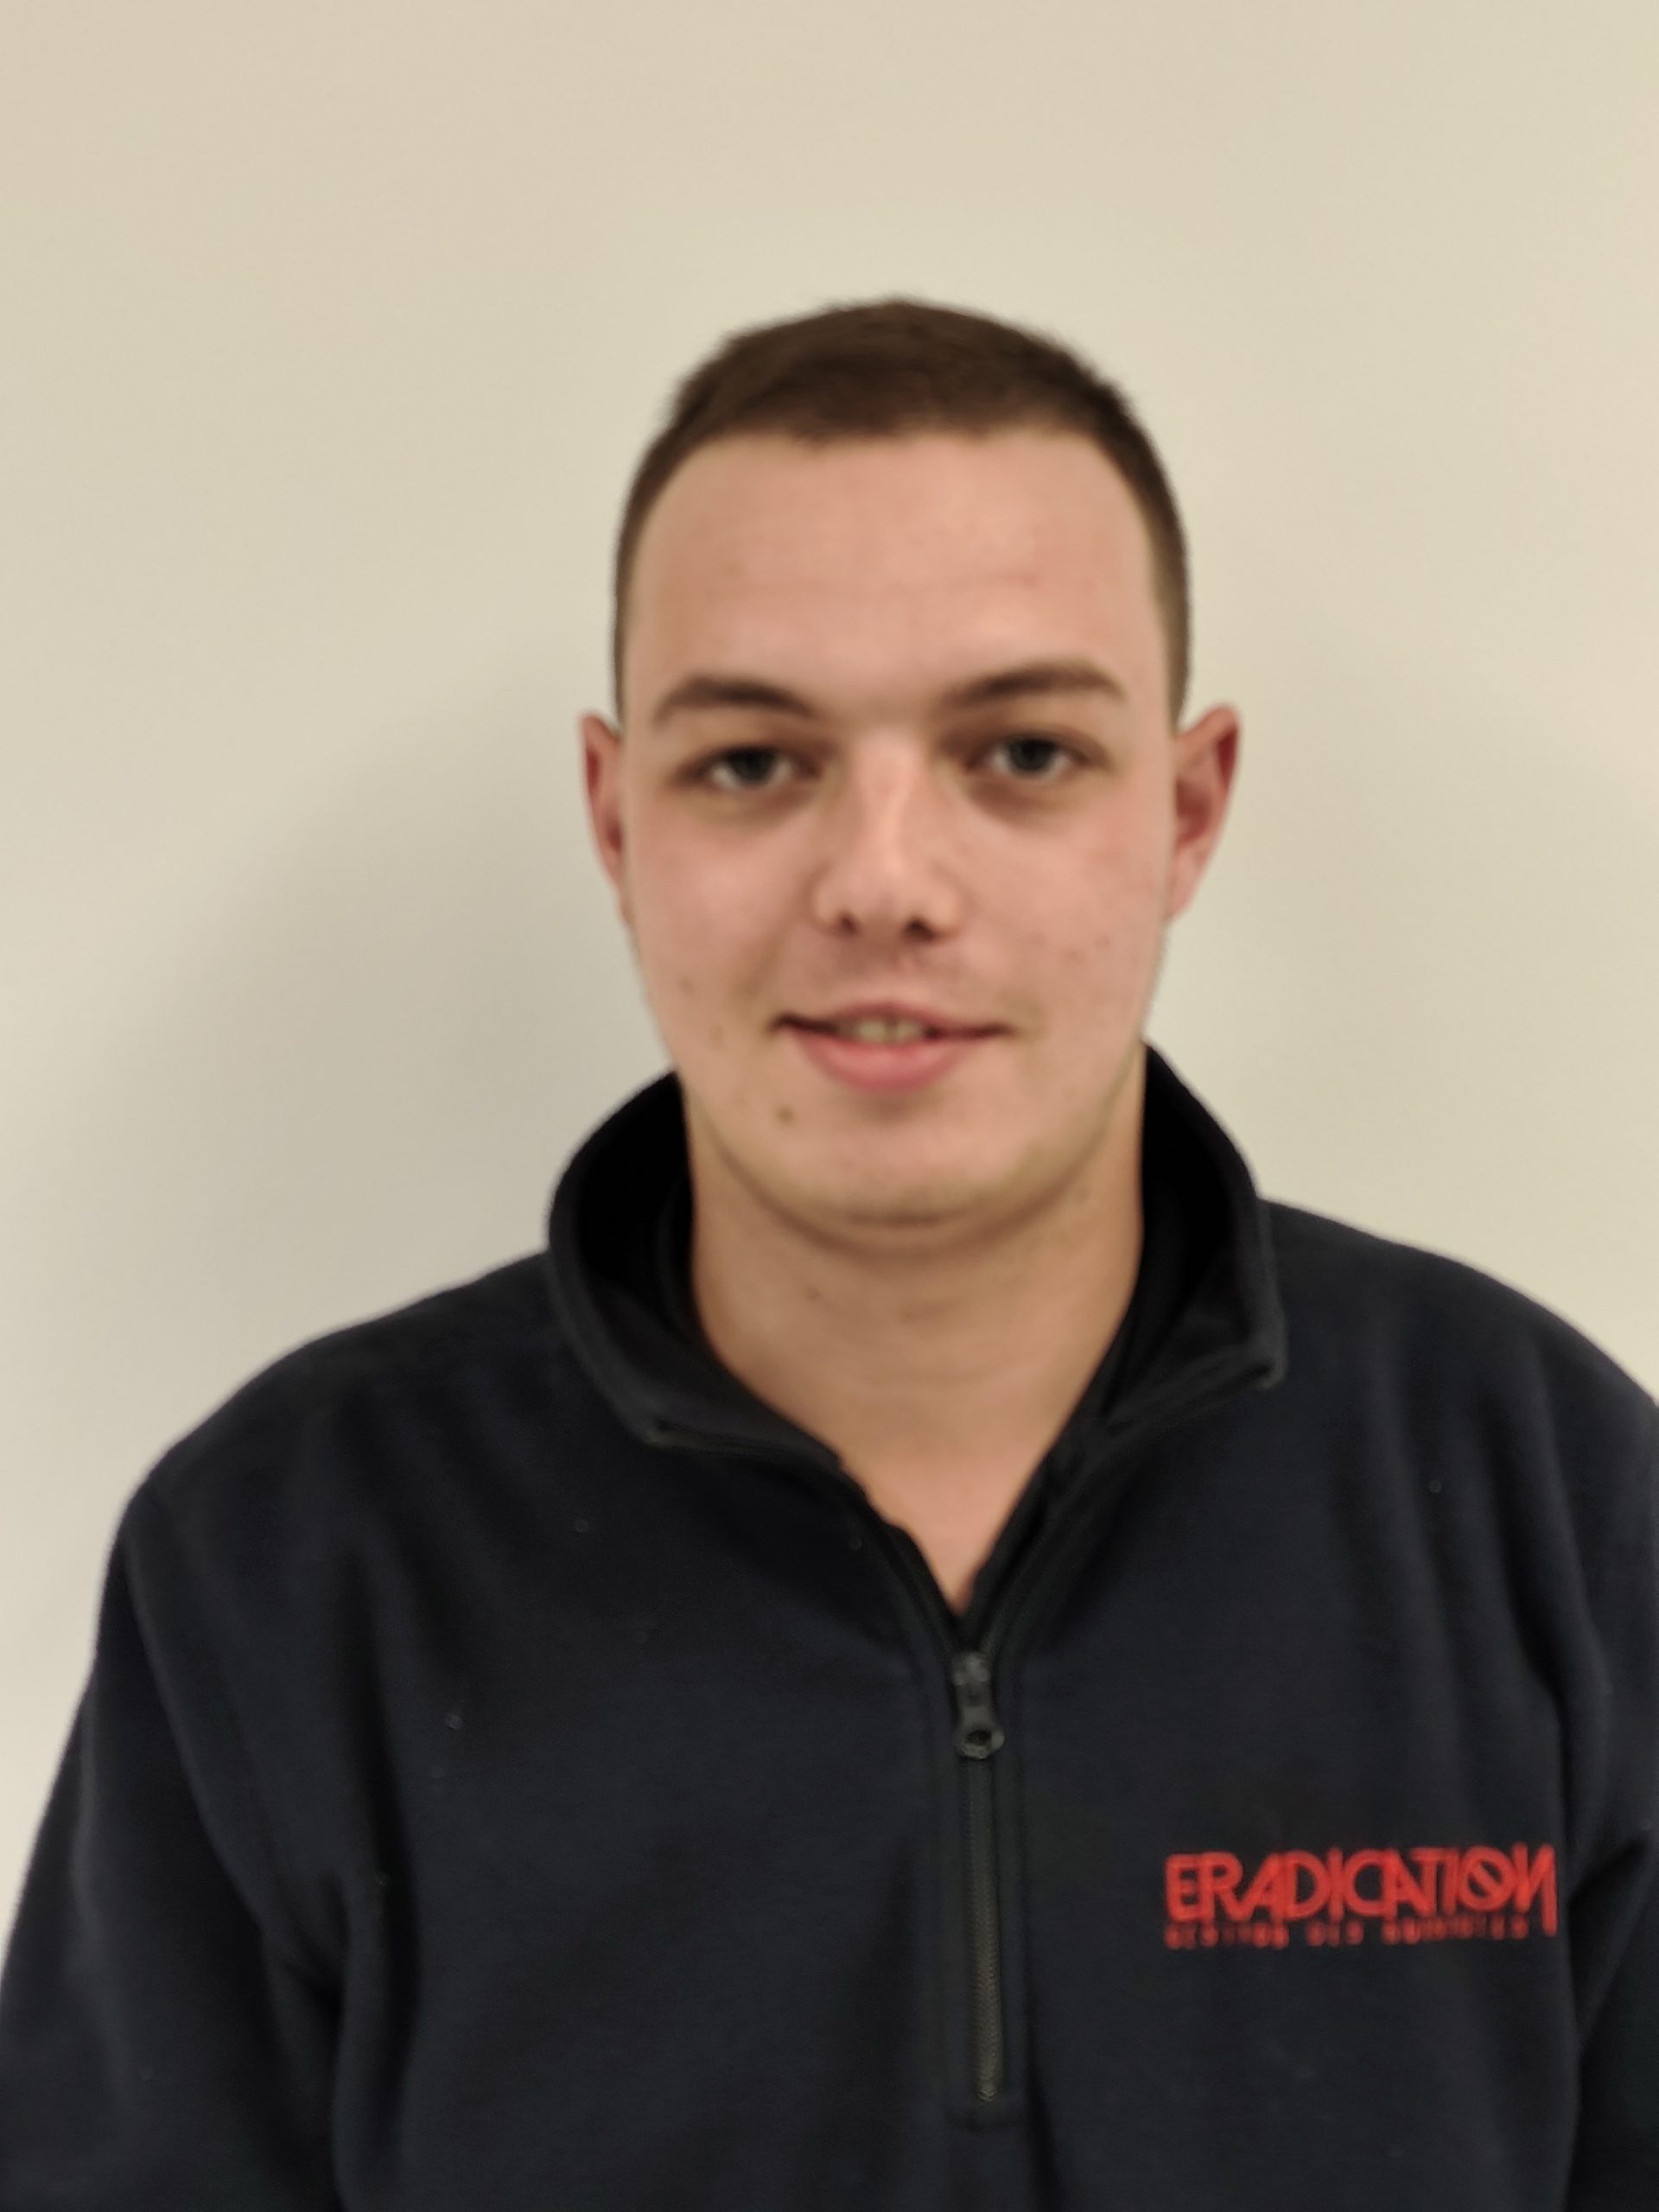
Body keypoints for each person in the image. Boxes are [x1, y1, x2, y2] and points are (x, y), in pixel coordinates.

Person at [1, 296, 1653, 2212]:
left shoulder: (1546, 1497)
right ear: (615, 818)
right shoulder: (287, 1564)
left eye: (1021, 750)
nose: (883, 880)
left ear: (1187, 811)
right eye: (753, 764)